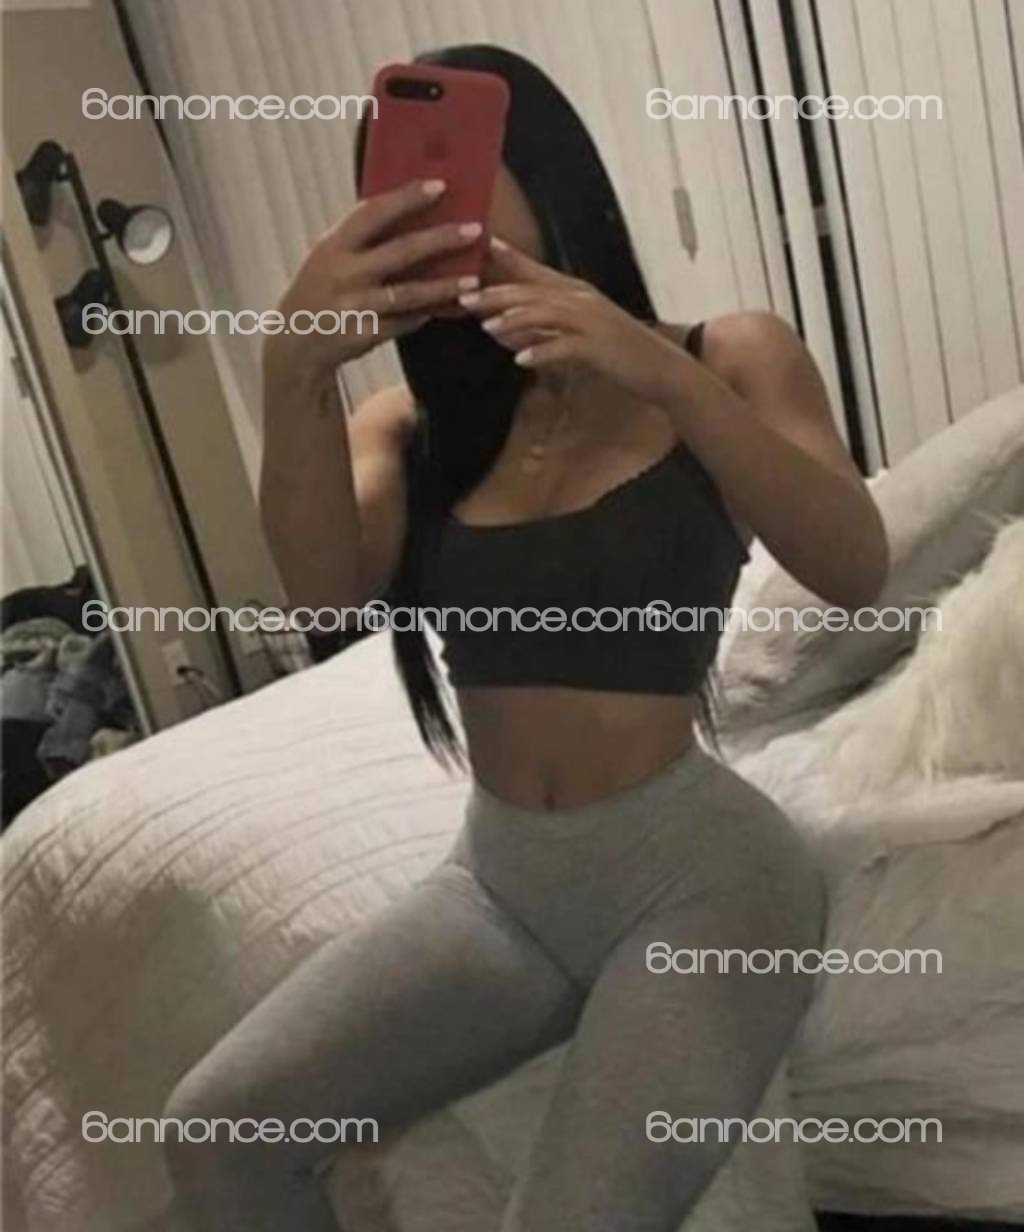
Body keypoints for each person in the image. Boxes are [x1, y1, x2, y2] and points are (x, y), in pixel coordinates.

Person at [163, 45, 889, 1232]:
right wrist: (291, 369)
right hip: (502, 879)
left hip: (703, 883)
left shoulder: (724, 355)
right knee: (214, 1131)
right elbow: (319, 594)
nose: (426, 206)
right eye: (396, 184)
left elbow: (855, 566)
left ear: (548, 175)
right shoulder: (414, 425)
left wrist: (659, 372)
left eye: (454, 171)